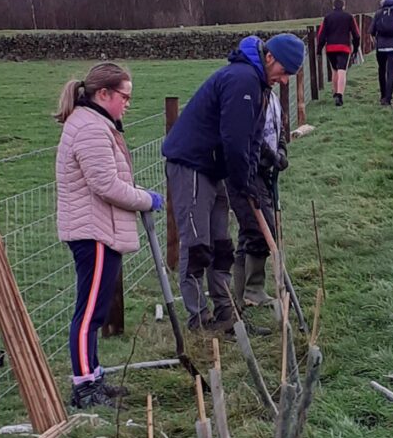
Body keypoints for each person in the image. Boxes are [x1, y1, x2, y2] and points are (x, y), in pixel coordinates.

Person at [161, 33, 304, 334]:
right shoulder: (242, 81)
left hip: (215, 167)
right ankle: (199, 323)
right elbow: (234, 140)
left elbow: (250, 142)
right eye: (285, 71)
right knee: (198, 244)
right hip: (192, 164)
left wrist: (248, 178)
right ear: (269, 58)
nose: (286, 80)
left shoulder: (259, 86)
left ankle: (227, 318)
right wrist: (241, 181)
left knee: (221, 244)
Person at [55, 62, 162, 409]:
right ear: (104, 94)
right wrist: (145, 198)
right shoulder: (90, 129)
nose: (128, 104)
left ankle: (94, 375)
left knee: (94, 310)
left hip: (98, 226)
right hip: (93, 231)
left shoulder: (96, 124)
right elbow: (105, 185)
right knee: (88, 314)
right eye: (124, 97)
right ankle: (85, 388)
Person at [228, 89, 288, 314]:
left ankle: (243, 295)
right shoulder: (251, 92)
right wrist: (271, 156)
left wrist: (281, 149)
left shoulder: (272, 96)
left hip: (265, 168)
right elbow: (251, 134)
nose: (283, 80)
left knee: (249, 230)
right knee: (262, 229)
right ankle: (253, 289)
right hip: (250, 167)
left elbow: (278, 126)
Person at [317, 0, 360, 107]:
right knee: (342, 71)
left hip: (331, 47)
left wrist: (319, 50)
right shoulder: (349, 17)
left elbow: (321, 35)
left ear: (333, 6)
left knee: (334, 70)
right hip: (344, 47)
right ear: (344, 6)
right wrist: (355, 48)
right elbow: (356, 34)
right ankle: (340, 95)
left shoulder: (327, 17)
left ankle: (335, 92)